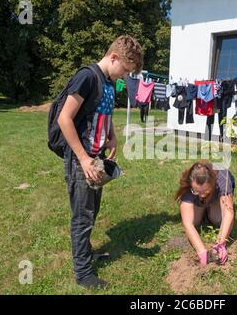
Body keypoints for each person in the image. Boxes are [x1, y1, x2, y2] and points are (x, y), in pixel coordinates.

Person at [58, 35, 143, 289]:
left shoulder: (107, 82)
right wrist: (83, 158)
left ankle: (86, 252)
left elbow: (104, 114)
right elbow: (65, 119)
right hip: (81, 159)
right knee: (82, 216)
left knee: (92, 210)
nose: (124, 77)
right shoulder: (87, 77)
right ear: (114, 57)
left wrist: (113, 137)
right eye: (125, 71)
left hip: (96, 158)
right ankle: (83, 273)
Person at [175, 160, 235, 265]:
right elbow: (187, 223)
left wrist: (220, 244)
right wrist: (201, 251)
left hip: (216, 198)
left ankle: (210, 207)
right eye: (197, 191)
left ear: (213, 182)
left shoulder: (223, 179)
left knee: (218, 220)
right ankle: (204, 208)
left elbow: (228, 214)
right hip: (198, 200)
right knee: (195, 222)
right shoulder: (188, 184)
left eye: (205, 191)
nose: (202, 195)